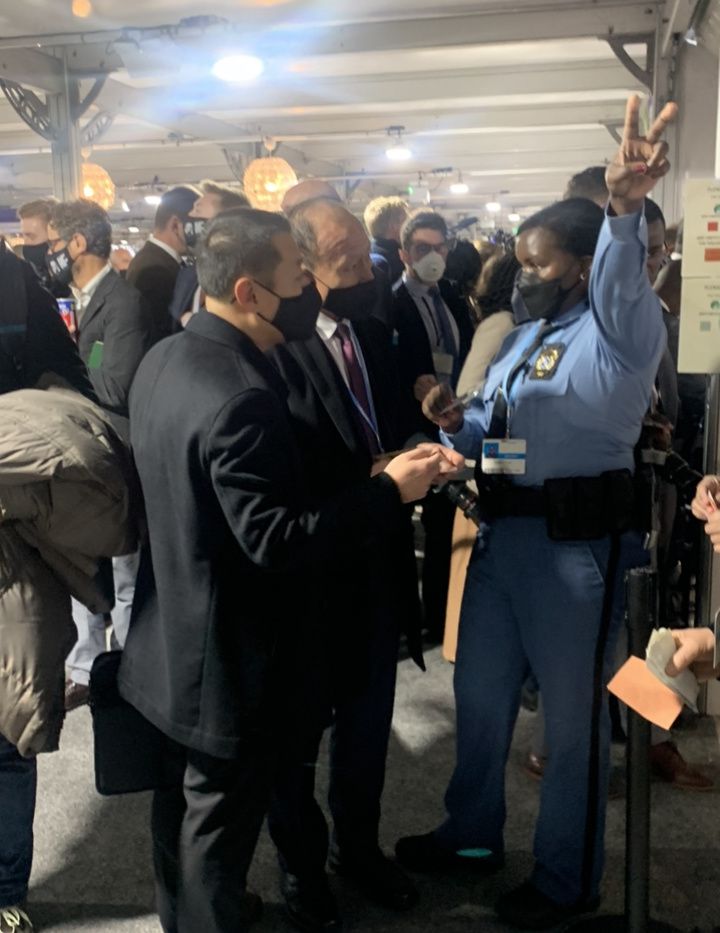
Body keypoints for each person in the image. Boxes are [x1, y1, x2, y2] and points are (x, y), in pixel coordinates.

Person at [118, 209, 462, 933]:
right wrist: (385, 492)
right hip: (228, 655)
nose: (311, 288)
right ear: (249, 291)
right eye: (297, 277)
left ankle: (186, 915)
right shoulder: (242, 390)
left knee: (179, 813)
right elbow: (273, 537)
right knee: (217, 834)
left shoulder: (166, 358)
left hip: (169, 633)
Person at [396, 96, 677, 929]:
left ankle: (566, 878)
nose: (525, 273)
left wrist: (622, 207)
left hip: (578, 554)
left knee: (573, 723)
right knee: (479, 697)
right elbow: (493, 423)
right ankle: (471, 833)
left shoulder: (622, 331)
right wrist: (455, 420)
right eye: (521, 260)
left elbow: (622, 275)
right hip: (503, 541)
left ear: (584, 266)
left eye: (541, 261)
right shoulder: (526, 336)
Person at [268, 198, 421, 932]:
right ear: (301, 268)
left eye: (367, 256)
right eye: (347, 262)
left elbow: (383, 421)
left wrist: (421, 427)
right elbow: (276, 472)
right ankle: (302, 870)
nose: (367, 274)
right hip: (311, 571)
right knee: (297, 740)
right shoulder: (274, 348)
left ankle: (358, 848)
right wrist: (370, 479)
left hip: (377, 563)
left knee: (367, 728)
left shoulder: (370, 328)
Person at [0, 241, 136, 933]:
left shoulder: (12, 276)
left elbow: (74, 388)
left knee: (9, 722)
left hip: (16, 525)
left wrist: (26, 444)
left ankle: (3, 888)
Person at [46, 199, 155, 710]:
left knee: (125, 570)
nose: (48, 253)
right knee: (83, 566)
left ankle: (130, 672)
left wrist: (64, 364)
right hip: (79, 453)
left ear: (77, 243)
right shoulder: (71, 300)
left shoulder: (122, 301)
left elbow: (116, 382)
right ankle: (85, 668)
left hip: (117, 454)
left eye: (52, 243)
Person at [393, 209, 474, 640]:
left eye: (440, 247)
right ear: (404, 253)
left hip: (453, 419)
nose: (433, 256)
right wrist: (410, 383)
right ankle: (408, 617)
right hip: (410, 428)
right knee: (403, 523)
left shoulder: (454, 298)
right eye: (422, 248)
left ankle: (439, 616)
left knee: (445, 520)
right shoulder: (391, 303)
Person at [169, 180, 250, 326]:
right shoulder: (186, 275)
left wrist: (194, 323)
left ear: (225, 222)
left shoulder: (248, 275)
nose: (189, 216)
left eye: (197, 210)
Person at [126, 185, 199, 339]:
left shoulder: (155, 260)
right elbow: (160, 333)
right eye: (197, 226)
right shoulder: (153, 270)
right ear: (175, 225)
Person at [17, 197, 68, 297]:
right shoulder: (25, 282)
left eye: (31, 236)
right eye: (23, 236)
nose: (26, 243)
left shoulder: (74, 284)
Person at [364, 195, 409, 286]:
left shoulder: (366, 255)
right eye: (406, 220)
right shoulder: (397, 260)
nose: (409, 226)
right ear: (393, 225)